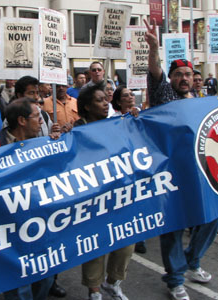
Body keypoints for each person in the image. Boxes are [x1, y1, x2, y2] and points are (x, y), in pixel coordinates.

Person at [145, 19, 217, 300]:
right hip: (171, 172)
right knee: (174, 226)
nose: (184, 78)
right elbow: (155, 72)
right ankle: (176, 279)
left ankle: (192, 261)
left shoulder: (199, 98)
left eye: (188, 74)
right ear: (172, 78)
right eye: (179, 75)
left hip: (200, 171)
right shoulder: (164, 94)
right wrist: (153, 48)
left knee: (211, 217)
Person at [0, 98, 58, 299]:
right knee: (19, 288)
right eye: (37, 117)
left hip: (41, 226)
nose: (42, 122)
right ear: (21, 120)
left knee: (46, 278)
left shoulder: (42, 144)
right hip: (13, 232)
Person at [76, 85, 133, 300]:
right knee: (94, 245)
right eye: (99, 100)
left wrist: (134, 122)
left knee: (126, 243)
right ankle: (94, 291)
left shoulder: (115, 124)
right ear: (88, 106)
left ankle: (113, 282)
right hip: (91, 199)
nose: (106, 102)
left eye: (106, 99)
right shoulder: (76, 130)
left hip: (117, 195)